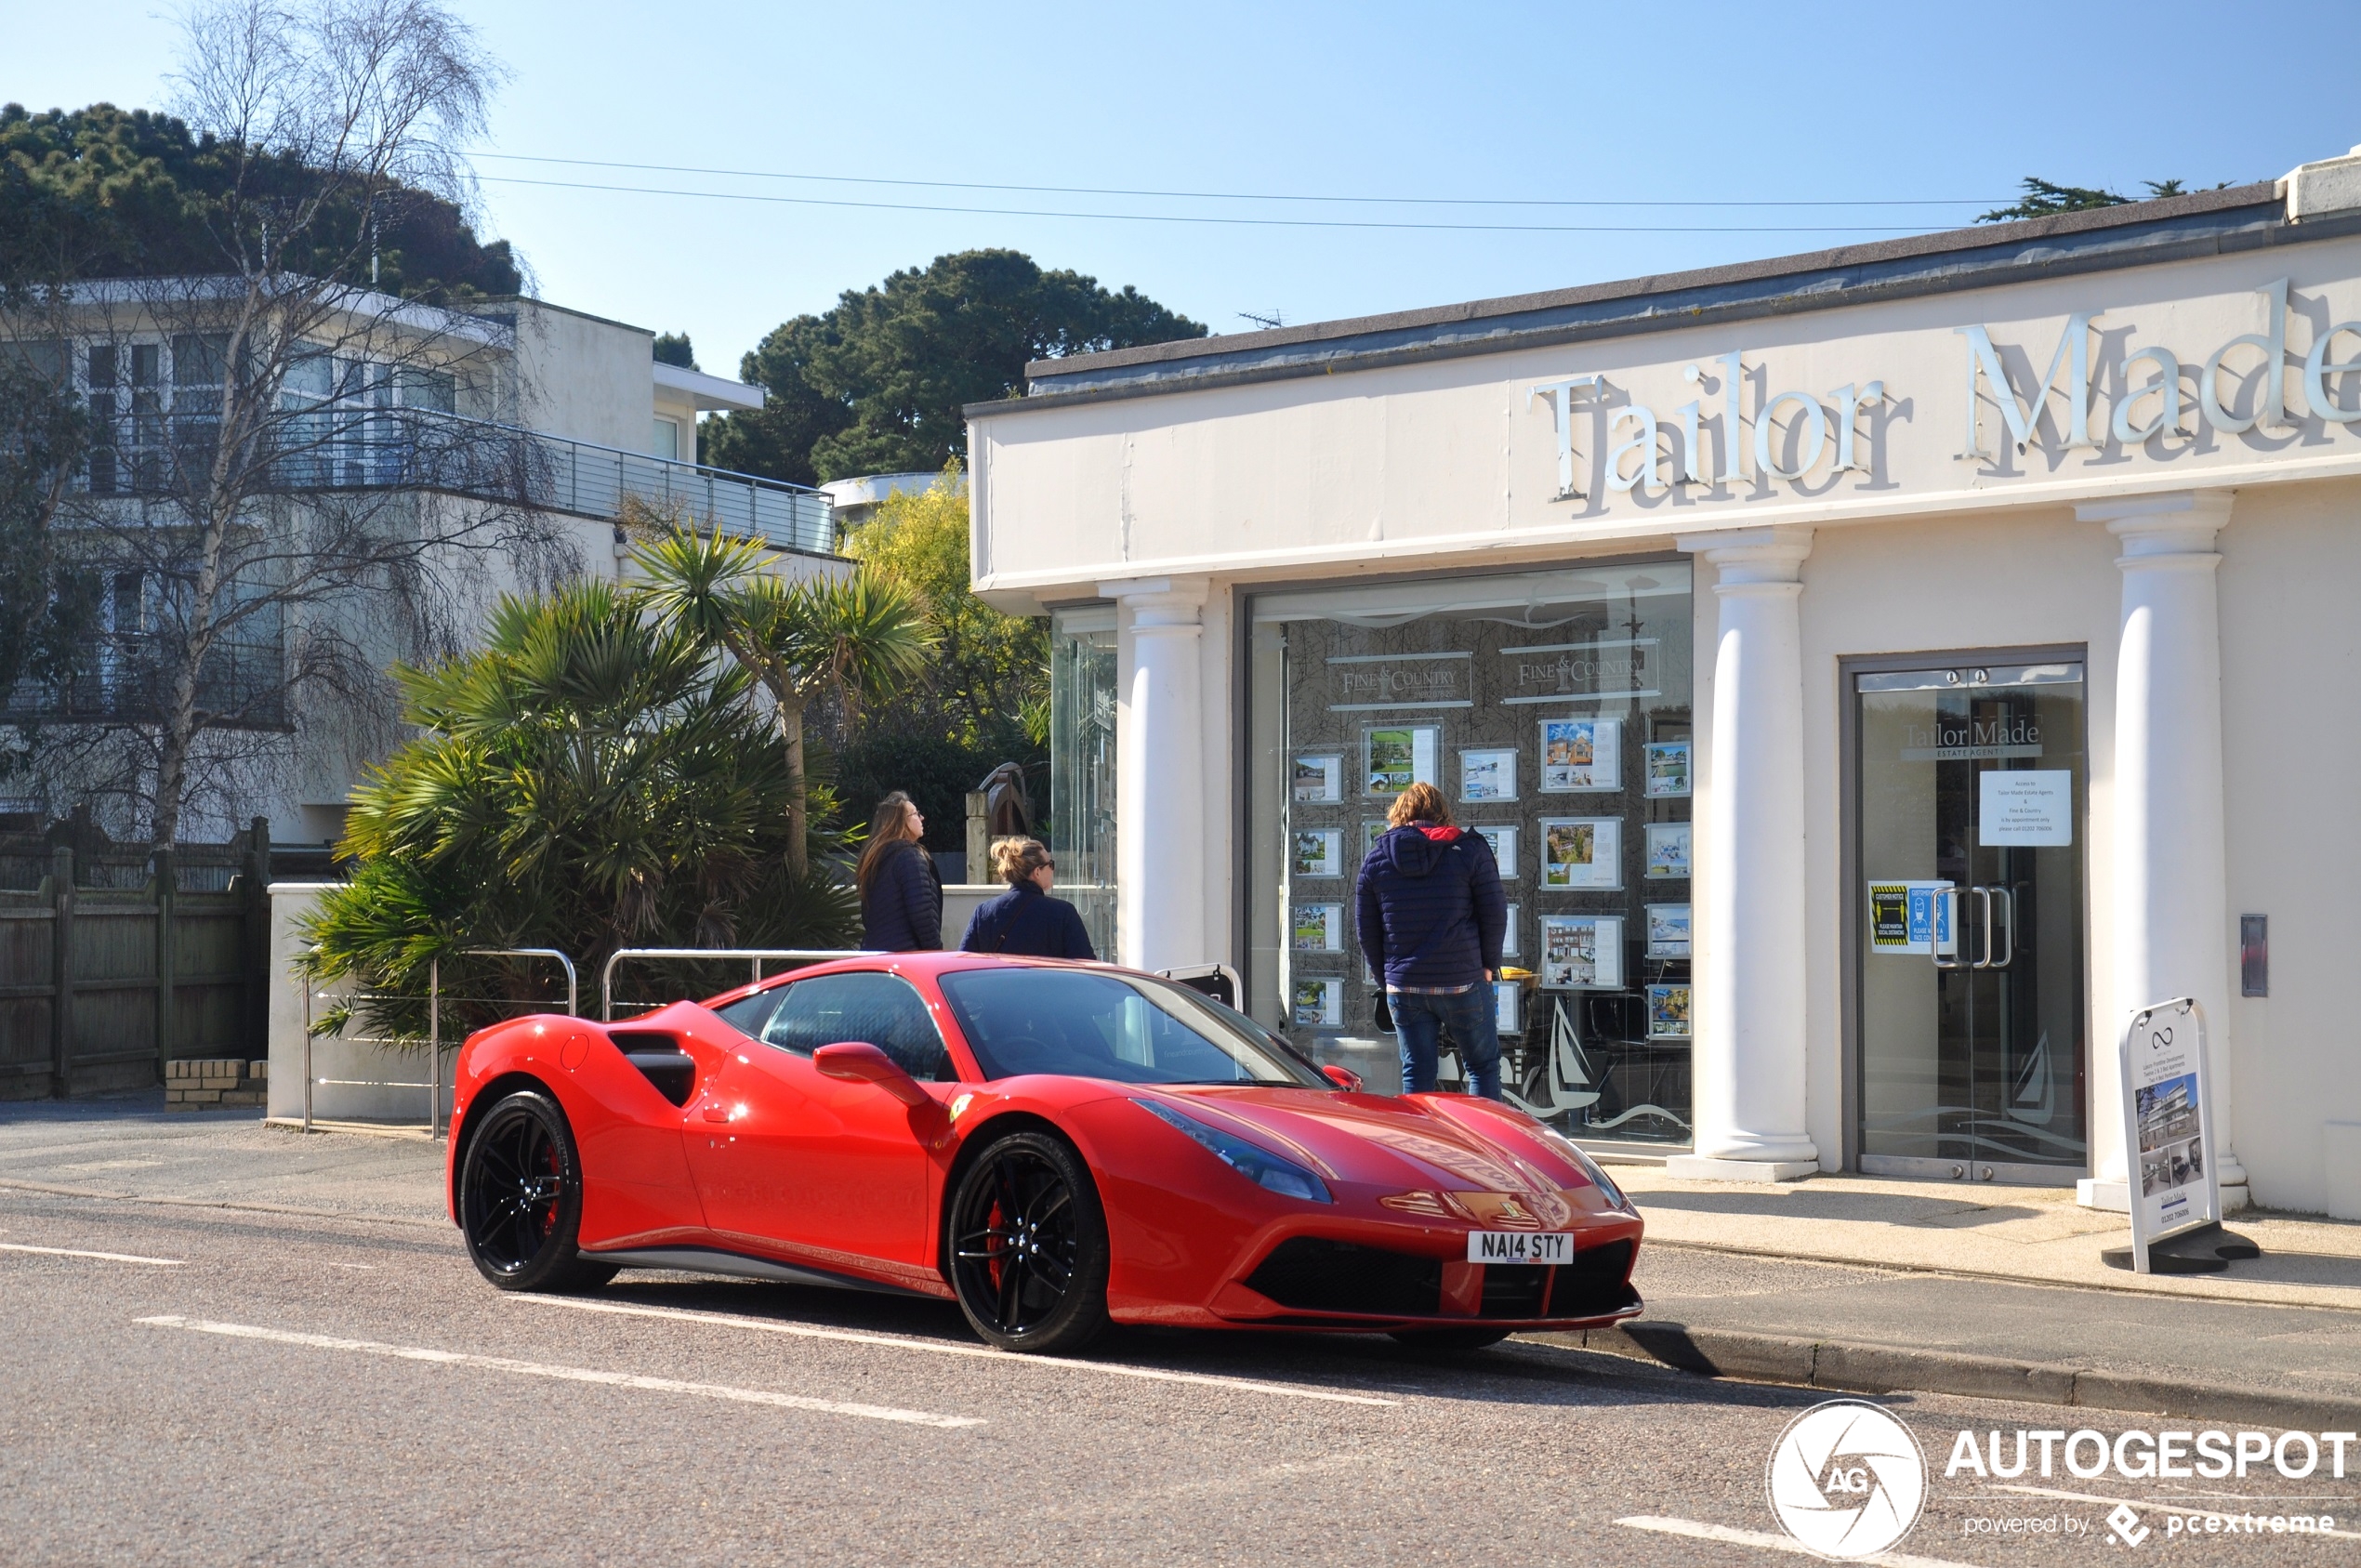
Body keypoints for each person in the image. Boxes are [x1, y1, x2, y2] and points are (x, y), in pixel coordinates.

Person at [1355, 781, 1507, 1099]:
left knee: (1417, 1070)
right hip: (1461, 979)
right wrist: (1489, 965)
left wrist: (1387, 979)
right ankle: (1485, 1145)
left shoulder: (1376, 858)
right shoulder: (1468, 850)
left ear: (1399, 814)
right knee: (1482, 1066)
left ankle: (1420, 1145)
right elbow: (1494, 912)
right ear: (1441, 814)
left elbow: (1366, 929)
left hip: (1405, 985)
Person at [960, 837, 1096, 959]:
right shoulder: (1063, 913)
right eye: (1051, 864)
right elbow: (1085, 964)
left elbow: (965, 963)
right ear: (1037, 872)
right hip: (1049, 986)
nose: (1053, 869)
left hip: (999, 986)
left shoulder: (984, 912)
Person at [856, 791, 942, 951]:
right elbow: (922, 916)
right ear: (901, 823)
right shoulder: (910, 857)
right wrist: (936, 951)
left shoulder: (874, 858)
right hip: (906, 960)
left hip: (875, 956)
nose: (922, 818)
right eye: (916, 814)